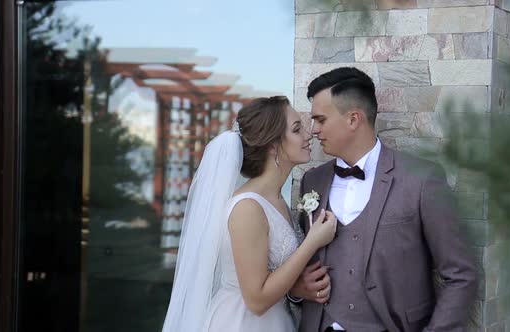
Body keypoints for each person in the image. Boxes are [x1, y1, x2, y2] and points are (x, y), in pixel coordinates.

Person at [290, 67, 478, 332]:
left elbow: (460, 274)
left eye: (320, 119)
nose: (313, 130)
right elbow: (300, 264)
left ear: (354, 119)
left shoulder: (421, 179)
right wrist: (296, 291)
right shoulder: (313, 181)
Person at [162, 96, 337, 332]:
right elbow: (256, 300)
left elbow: (272, 275)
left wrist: (296, 290)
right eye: (297, 129)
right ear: (273, 145)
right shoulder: (247, 209)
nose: (308, 135)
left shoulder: (276, 199)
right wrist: (313, 241)